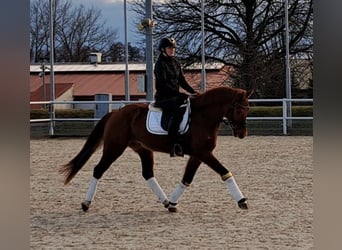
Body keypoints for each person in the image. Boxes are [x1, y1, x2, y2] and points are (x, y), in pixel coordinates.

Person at [154, 37, 199, 157]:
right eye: (170, 48)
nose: (172, 50)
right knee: (177, 111)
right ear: (163, 49)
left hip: (175, 96)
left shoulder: (175, 62)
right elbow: (163, 84)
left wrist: (193, 92)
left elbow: (182, 81)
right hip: (164, 97)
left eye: (173, 48)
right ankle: (173, 144)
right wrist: (181, 94)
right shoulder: (160, 64)